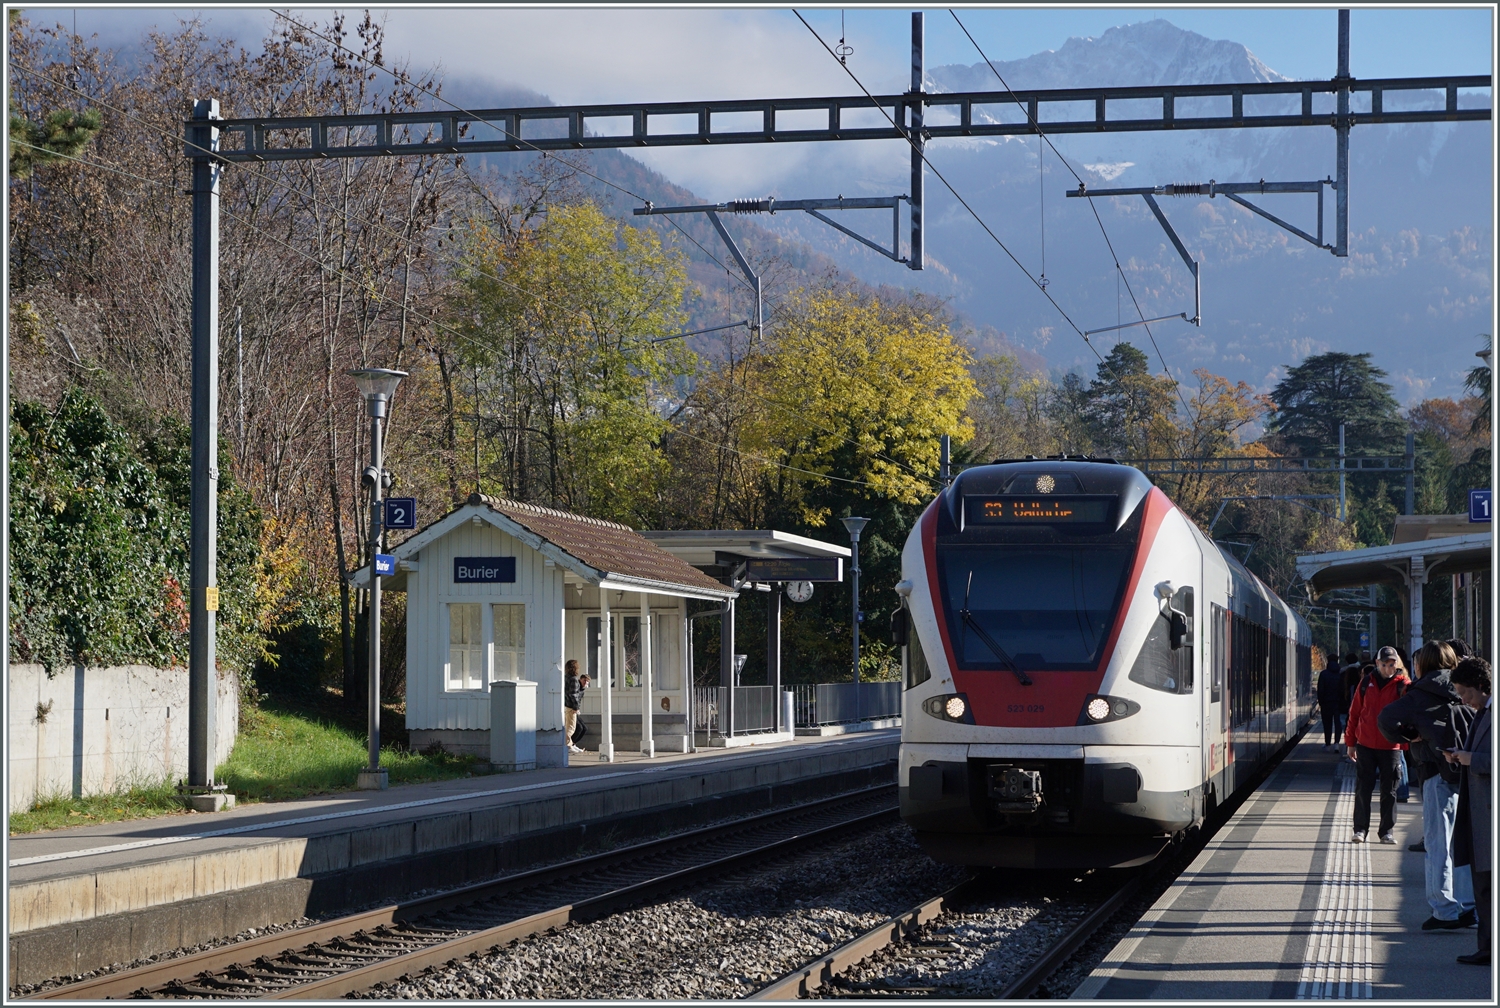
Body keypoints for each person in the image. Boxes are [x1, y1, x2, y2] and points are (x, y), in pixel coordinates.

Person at [1379, 640, 1475, 931]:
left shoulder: (1418, 693)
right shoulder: (1465, 688)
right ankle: (1470, 906)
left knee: (1438, 843)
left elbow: (1386, 719)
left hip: (1436, 772)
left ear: (1422, 664)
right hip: (1471, 774)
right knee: (1468, 843)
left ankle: (1444, 909)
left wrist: (1411, 735)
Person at [1447, 657, 1492, 965]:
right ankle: (1486, 947)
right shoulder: (1480, 713)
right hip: (1480, 816)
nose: (1462, 700)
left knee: (1489, 886)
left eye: (1465, 692)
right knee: (1484, 888)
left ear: (1480, 686)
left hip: (1490, 815)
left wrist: (1470, 759)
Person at [1345, 647, 1411, 844]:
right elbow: (1355, 713)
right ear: (1377, 663)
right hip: (1365, 743)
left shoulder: (1403, 686)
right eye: (1385, 664)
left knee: (1389, 790)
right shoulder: (1366, 683)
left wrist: (1405, 742)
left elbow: (1409, 715)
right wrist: (1350, 743)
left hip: (1390, 746)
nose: (1389, 668)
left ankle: (1386, 831)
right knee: (1363, 788)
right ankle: (1360, 830)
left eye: (1392, 664)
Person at [1319, 653, 1349, 750]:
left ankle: (1327, 743)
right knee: (1338, 723)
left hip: (1326, 703)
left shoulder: (1323, 674)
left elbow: (1320, 690)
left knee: (1327, 723)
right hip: (1338, 703)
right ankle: (1337, 743)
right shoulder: (1341, 674)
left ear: (1328, 661)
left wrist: (1321, 703)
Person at [564, 660, 586, 754]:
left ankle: (571, 744)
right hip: (571, 706)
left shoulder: (566, 678)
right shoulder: (573, 679)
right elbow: (573, 694)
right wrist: (576, 707)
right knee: (571, 727)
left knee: (571, 726)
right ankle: (568, 745)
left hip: (566, 704)